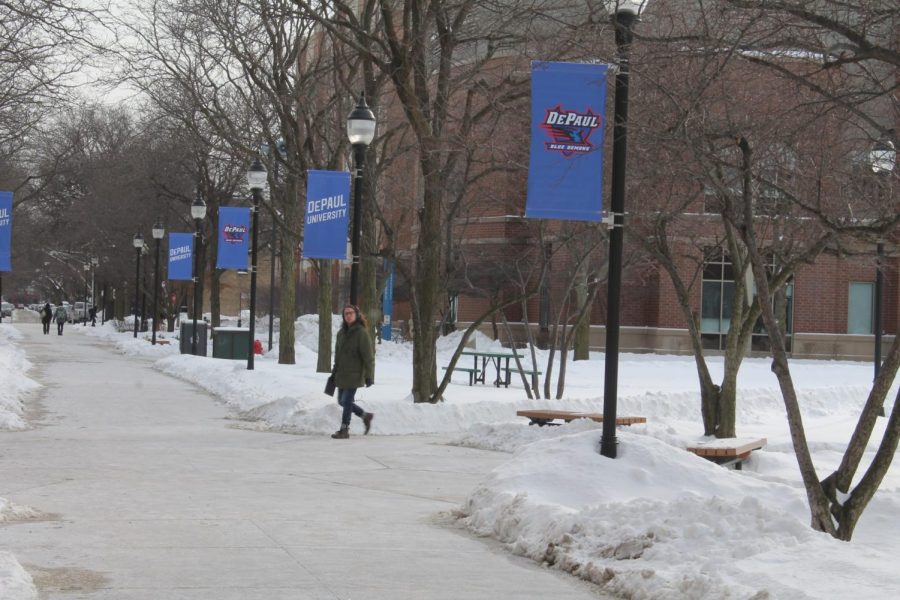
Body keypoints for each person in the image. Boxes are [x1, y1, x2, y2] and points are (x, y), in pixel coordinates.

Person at [330, 304, 375, 439]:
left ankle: (344, 429)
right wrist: (334, 371)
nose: (348, 316)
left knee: (347, 401)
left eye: (351, 313)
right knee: (342, 401)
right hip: (342, 374)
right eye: (346, 314)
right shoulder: (341, 333)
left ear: (356, 315)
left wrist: (369, 376)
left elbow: (368, 357)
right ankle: (365, 416)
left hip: (355, 375)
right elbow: (338, 355)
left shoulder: (361, 333)